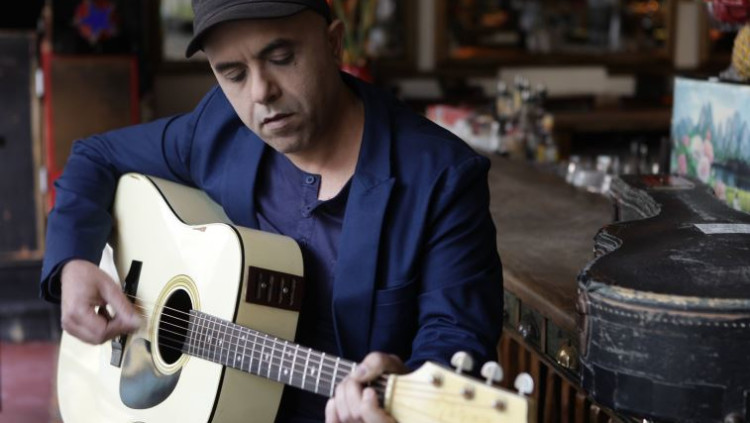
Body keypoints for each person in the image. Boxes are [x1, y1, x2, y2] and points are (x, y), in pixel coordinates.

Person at [40, 0, 504, 421]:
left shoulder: (440, 177)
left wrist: (402, 389)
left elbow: (456, 345)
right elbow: (95, 156)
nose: (260, 92)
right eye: (233, 74)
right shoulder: (220, 128)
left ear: (334, 44)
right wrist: (73, 263)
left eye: (281, 58)